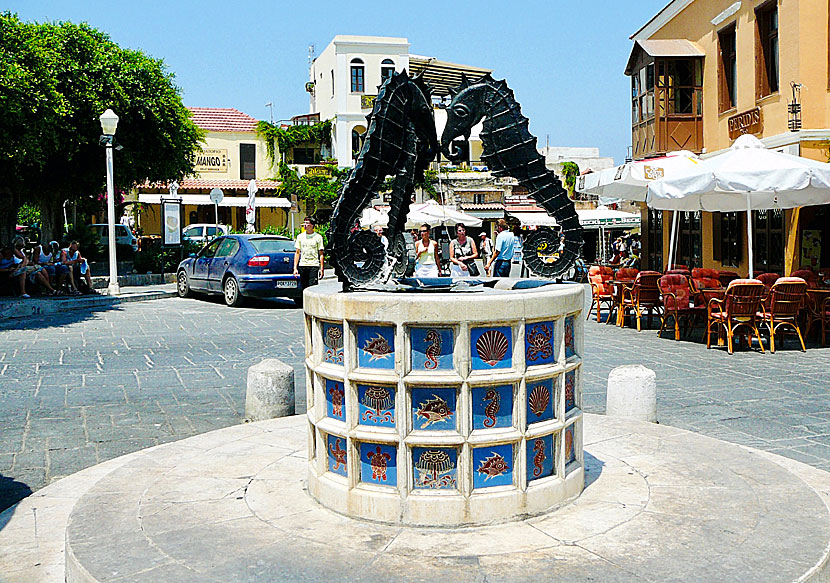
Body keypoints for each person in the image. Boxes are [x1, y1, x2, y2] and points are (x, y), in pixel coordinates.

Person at [293, 217, 325, 291]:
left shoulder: (318, 237)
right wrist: (295, 268)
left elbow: (321, 254)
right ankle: (304, 302)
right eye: (304, 223)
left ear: (312, 225)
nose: (305, 225)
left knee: (312, 287)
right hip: (303, 265)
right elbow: (297, 252)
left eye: (307, 223)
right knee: (303, 288)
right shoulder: (300, 237)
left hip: (313, 265)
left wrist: (322, 268)